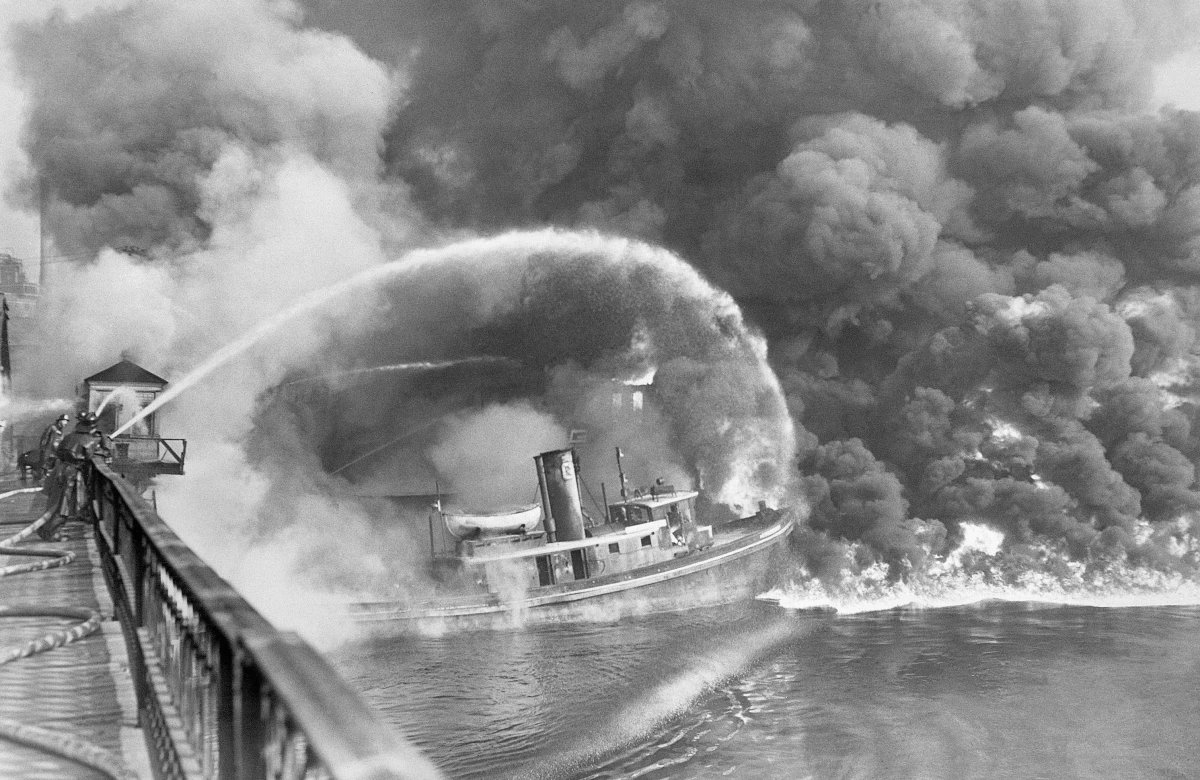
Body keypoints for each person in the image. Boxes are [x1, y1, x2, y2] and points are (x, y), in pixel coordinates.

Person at [37, 412, 111, 541]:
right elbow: (96, 456)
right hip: (71, 475)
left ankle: (45, 529)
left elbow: (59, 452)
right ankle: (52, 533)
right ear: (92, 426)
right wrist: (105, 445)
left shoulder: (70, 436)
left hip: (60, 470)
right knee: (63, 505)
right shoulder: (90, 440)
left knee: (55, 502)